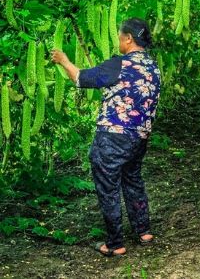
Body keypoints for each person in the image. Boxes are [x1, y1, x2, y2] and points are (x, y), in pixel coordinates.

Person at [51, 18, 161, 256]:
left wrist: (64, 61)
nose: (118, 40)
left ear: (129, 38)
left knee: (108, 187)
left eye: (120, 36)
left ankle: (115, 244)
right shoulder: (152, 67)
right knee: (132, 180)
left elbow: (82, 78)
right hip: (139, 136)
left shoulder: (119, 64)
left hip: (112, 136)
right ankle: (144, 231)